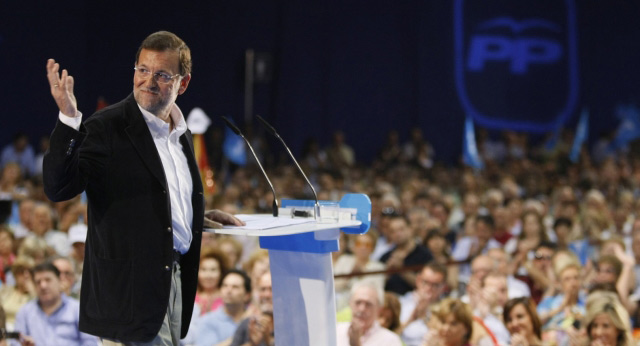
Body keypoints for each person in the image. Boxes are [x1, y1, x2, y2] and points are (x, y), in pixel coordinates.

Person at [44, 31, 244, 344]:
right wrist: (69, 119)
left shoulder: (181, 133)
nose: (149, 81)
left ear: (183, 83)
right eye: (143, 70)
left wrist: (195, 215)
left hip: (174, 284)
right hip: (129, 298)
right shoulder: (107, 126)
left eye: (162, 74)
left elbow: (153, 198)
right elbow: (59, 188)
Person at [14, 261, 98, 345]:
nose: (43, 286)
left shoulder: (77, 310)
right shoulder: (25, 312)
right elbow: (15, 342)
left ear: (59, 281)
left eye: (48, 280)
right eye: (38, 282)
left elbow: (90, 342)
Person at [195, 269, 252, 346]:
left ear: (247, 295)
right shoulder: (207, 320)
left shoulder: (254, 320)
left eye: (235, 287)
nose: (228, 290)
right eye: (225, 286)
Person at [380, 214, 433, 295]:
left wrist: (402, 270)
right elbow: (377, 285)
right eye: (393, 231)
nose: (397, 234)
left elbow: (428, 285)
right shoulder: (385, 257)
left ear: (410, 229)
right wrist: (388, 272)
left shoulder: (425, 255)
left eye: (401, 229)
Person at [336, 282, 403, 346]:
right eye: (358, 302)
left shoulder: (390, 340)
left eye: (368, 304)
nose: (362, 309)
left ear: (379, 309)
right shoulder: (336, 331)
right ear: (350, 304)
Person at [398, 262, 448, 346]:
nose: (428, 288)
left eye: (435, 285)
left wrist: (425, 317)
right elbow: (390, 335)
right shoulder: (402, 302)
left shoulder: (446, 308)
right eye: (425, 282)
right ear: (418, 280)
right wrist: (411, 319)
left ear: (443, 287)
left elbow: (446, 338)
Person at [229, 272, 274, 346]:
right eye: (263, 289)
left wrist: (269, 341)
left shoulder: (290, 324)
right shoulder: (248, 324)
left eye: (271, 289)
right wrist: (252, 343)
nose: (266, 295)